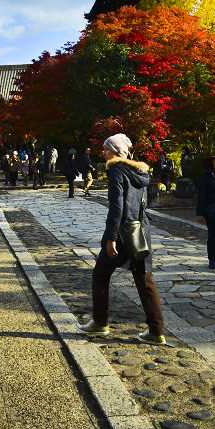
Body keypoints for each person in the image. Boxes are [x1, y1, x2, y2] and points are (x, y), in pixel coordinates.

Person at [77, 134, 167, 344]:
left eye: (106, 149)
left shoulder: (117, 171)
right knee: (145, 279)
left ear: (116, 152)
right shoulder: (139, 172)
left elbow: (117, 207)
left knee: (100, 274)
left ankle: (100, 323)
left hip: (122, 233)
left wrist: (111, 237)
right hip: (141, 230)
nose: (104, 152)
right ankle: (157, 331)